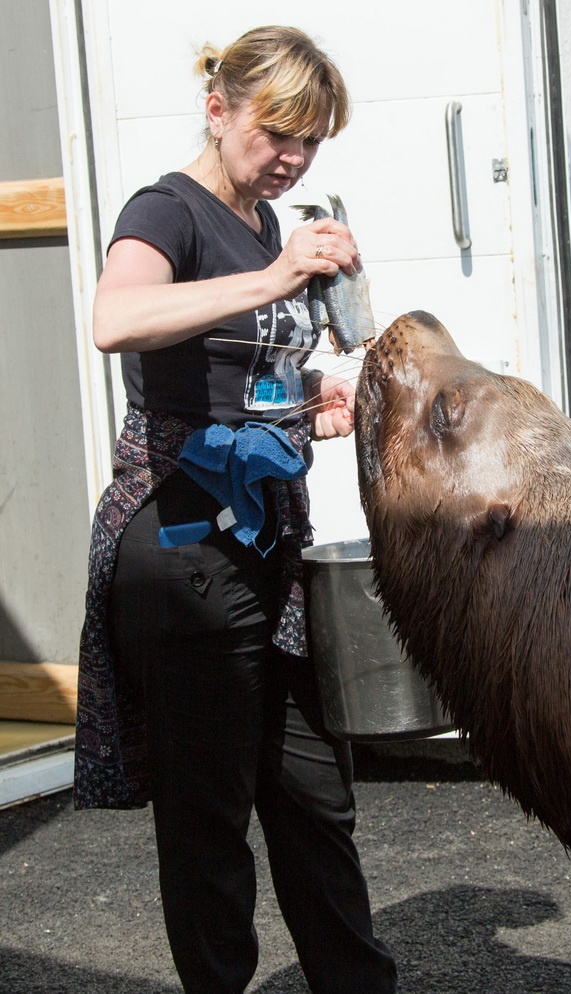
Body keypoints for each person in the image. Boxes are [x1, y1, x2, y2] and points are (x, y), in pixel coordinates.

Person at [73, 25, 397, 994]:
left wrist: (312, 401)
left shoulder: (264, 220)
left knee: (311, 794)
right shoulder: (165, 210)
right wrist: (273, 277)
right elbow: (114, 319)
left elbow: (237, 370)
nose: (291, 160)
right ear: (218, 110)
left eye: (311, 143)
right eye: (277, 135)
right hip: (180, 543)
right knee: (209, 817)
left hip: (264, 543)